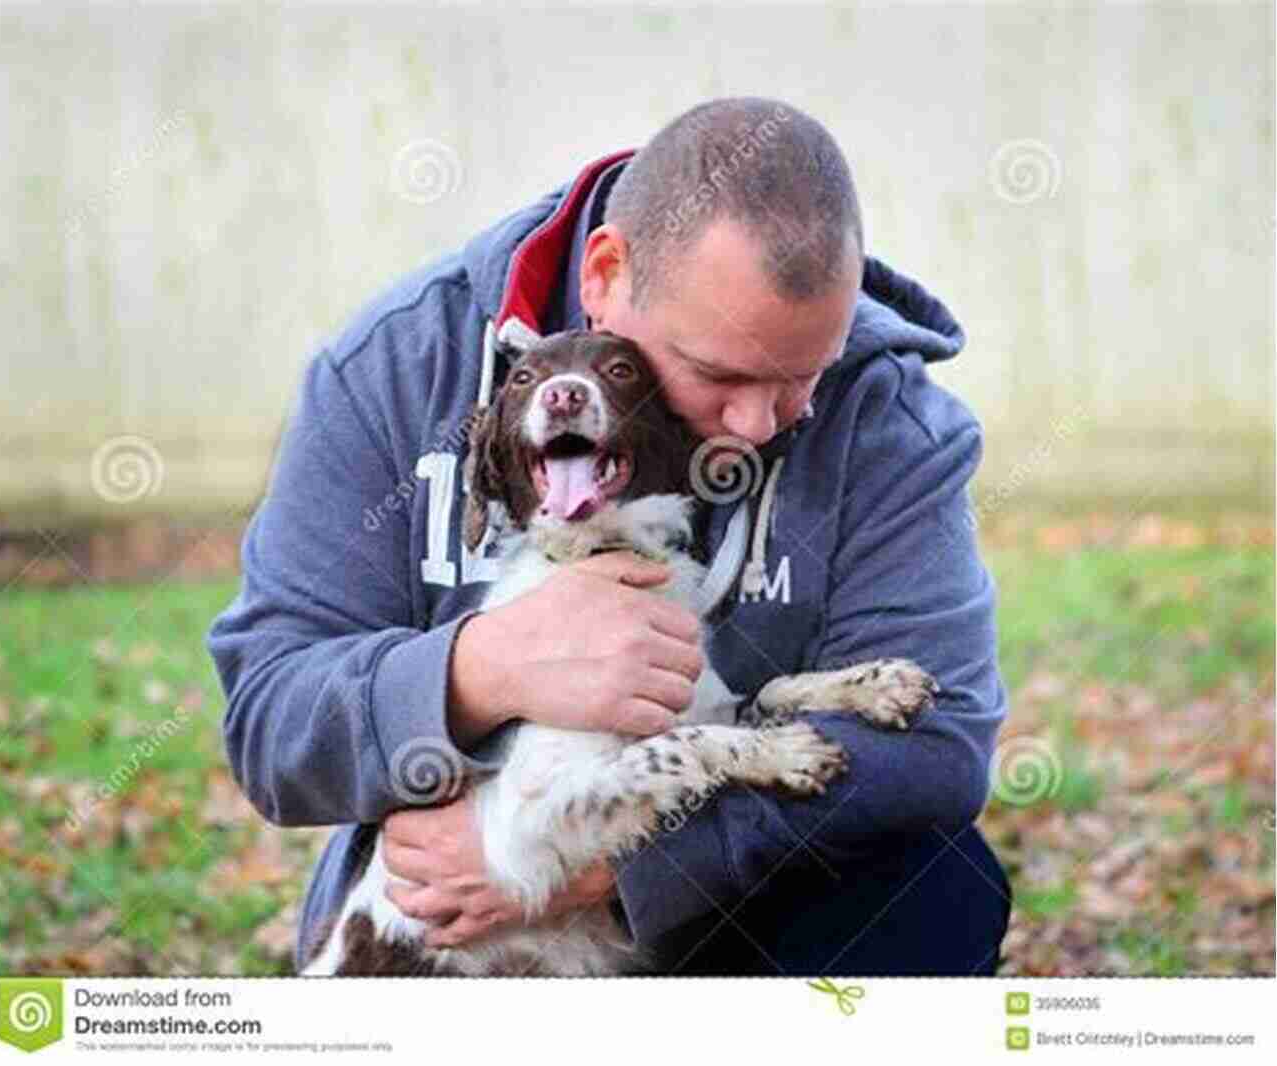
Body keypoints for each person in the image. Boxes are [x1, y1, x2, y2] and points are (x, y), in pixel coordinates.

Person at [206, 97, 1012, 977]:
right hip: (455, 949)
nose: (754, 424)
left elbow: (939, 742)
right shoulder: (395, 370)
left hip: (736, 926)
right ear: (604, 275)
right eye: (718, 374)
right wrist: (480, 668)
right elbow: (270, 722)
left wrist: (614, 865)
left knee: (939, 887)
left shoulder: (891, 418)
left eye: (799, 382)